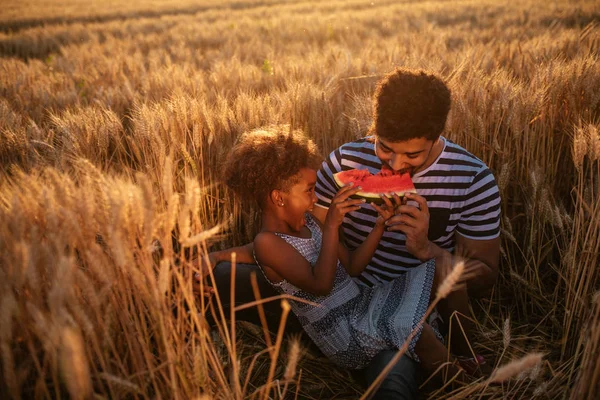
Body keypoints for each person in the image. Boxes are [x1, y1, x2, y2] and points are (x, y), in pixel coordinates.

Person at [203, 68, 501, 398]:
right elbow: (291, 241)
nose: (396, 166)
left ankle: (468, 363)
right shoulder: (343, 162)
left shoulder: (473, 179)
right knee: (398, 374)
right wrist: (217, 255)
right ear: (374, 129)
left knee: (441, 287)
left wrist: (425, 247)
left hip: (398, 300)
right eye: (386, 149)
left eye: (412, 155)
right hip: (345, 309)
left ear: (436, 136)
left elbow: (485, 277)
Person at [220, 125, 474, 381]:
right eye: (309, 190)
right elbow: (321, 285)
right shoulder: (268, 242)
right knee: (415, 329)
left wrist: (379, 226)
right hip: (344, 335)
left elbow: (353, 266)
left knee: (447, 270)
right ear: (279, 198)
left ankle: (471, 357)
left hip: (361, 304)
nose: (316, 197)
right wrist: (331, 225)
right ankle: (468, 387)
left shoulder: (309, 222)